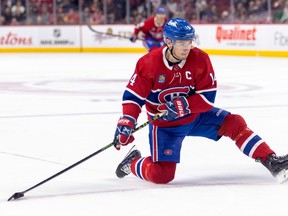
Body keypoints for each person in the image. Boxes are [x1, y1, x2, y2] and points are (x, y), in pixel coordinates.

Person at [113, 17, 288, 184]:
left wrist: (183, 106)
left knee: (234, 123)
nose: (187, 47)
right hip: (166, 127)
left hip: (195, 117)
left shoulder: (200, 59)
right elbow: (133, 97)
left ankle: (271, 161)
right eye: (182, 43)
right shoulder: (148, 63)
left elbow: (207, 97)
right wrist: (128, 120)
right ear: (168, 42)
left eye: (189, 42)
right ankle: (133, 162)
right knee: (162, 175)